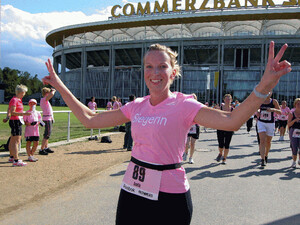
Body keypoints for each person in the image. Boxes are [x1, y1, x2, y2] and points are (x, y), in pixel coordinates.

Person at [43, 41, 291, 225]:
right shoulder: (136, 106)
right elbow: (89, 119)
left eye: (162, 66)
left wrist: (264, 85)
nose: (155, 72)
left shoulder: (184, 105)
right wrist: (59, 84)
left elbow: (232, 120)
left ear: (173, 72)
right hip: (133, 190)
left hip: (170, 195)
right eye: (149, 66)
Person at [8, 85, 31, 166]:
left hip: (16, 121)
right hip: (15, 121)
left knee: (13, 140)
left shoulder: (17, 100)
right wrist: (24, 113)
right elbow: (13, 112)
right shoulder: (15, 100)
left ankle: (12, 156)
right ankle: (16, 160)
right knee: (16, 141)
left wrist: (7, 116)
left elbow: (9, 110)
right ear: (21, 92)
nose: (24, 94)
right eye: (24, 92)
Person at [257, 93, 281, 166]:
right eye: (266, 92)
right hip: (261, 122)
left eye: (269, 92)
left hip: (270, 123)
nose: (267, 94)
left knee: (268, 142)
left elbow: (280, 112)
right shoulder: (260, 100)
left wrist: (273, 109)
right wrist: (257, 111)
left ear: (271, 93)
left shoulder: (274, 101)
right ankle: (262, 159)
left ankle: (266, 154)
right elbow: (255, 108)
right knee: (262, 140)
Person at [215, 94, 234, 164]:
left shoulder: (233, 110)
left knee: (227, 144)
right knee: (220, 144)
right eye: (226, 99)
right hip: (220, 128)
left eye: (229, 99)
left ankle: (224, 158)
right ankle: (220, 153)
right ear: (224, 100)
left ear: (231, 100)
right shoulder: (220, 108)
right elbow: (216, 116)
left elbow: (235, 118)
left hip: (229, 128)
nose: (227, 100)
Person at [183, 93, 200, 164]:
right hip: (188, 126)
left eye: (194, 98)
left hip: (195, 127)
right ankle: (186, 153)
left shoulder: (199, 107)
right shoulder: (186, 107)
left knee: (193, 143)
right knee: (186, 143)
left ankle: (191, 157)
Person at [39, 87, 56, 155]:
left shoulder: (45, 100)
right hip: (47, 119)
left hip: (49, 118)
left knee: (47, 134)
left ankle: (46, 147)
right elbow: (51, 95)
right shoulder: (44, 99)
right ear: (46, 93)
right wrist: (53, 91)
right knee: (47, 134)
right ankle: (42, 149)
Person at [287, 98, 300, 168]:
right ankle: (294, 161)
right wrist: (295, 120)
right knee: (294, 147)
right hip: (294, 131)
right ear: (295, 104)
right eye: (298, 103)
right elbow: (288, 124)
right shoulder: (292, 113)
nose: (299, 105)